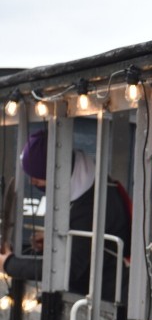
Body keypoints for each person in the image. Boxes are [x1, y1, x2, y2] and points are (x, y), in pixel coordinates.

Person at [0, 129, 132, 300]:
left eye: (37, 176)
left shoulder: (91, 203)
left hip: (104, 296)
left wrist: (10, 264)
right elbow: (83, 244)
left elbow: (68, 269)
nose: (32, 182)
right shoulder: (85, 188)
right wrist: (53, 241)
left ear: (53, 170)